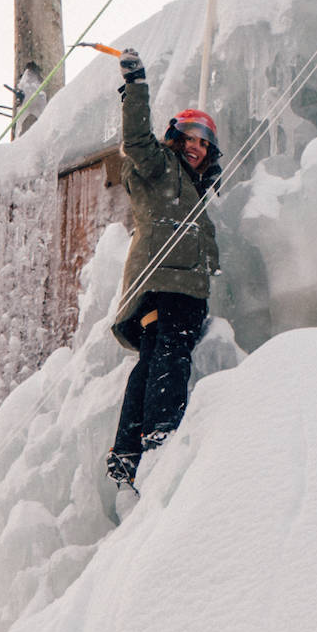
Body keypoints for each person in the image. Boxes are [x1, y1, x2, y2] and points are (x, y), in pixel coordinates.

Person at [105, 46, 221, 489]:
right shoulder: (159, 167)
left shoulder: (190, 185)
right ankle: (161, 430)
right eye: (189, 139)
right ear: (176, 140)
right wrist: (135, 87)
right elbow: (135, 142)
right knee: (172, 350)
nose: (196, 148)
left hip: (163, 283)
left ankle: (126, 451)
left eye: (203, 144)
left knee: (152, 358)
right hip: (170, 282)